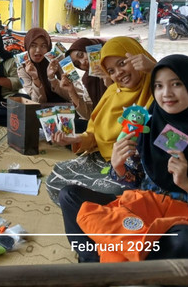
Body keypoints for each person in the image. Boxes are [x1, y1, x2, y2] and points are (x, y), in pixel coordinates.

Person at [59, 54, 188, 262]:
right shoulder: (152, 124)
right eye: (159, 86)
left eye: (177, 84)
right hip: (143, 210)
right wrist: (119, 167)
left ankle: (123, 260)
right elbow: (137, 179)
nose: (167, 94)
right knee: (70, 196)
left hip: (184, 219)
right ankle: (98, 263)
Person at [44, 37, 157, 204]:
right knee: (55, 178)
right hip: (102, 157)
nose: (118, 73)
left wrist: (156, 69)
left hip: (133, 169)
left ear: (138, 57)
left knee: (116, 194)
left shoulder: (160, 87)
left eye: (122, 63)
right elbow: (94, 129)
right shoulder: (113, 90)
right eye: (111, 71)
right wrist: (77, 139)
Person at [18, 27, 71, 104]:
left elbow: (76, 94)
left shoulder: (59, 58)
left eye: (43, 46)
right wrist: (35, 78)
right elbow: (37, 102)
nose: (38, 50)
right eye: (33, 45)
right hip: (42, 112)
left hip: (67, 109)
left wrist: (52, 79)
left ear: (48, 47)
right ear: (27, 47)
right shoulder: (22, 68)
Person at [64, 38, 113, 119]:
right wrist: (71, 90)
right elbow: (90, 114)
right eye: (77, 64)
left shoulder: (116, 64)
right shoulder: (87, 80)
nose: (83, 62)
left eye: (81, 55)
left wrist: (109, 81)